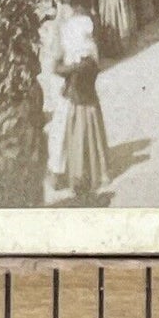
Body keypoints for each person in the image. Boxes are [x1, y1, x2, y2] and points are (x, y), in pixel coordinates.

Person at [52, 14, 110, 203]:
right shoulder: (89, 57)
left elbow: (59, 69)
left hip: (79, 104)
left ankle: (80, 175)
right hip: (89, 103)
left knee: (79, 139)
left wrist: (60, 60)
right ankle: (93, 170)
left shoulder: (81, 63)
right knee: (91, 139)